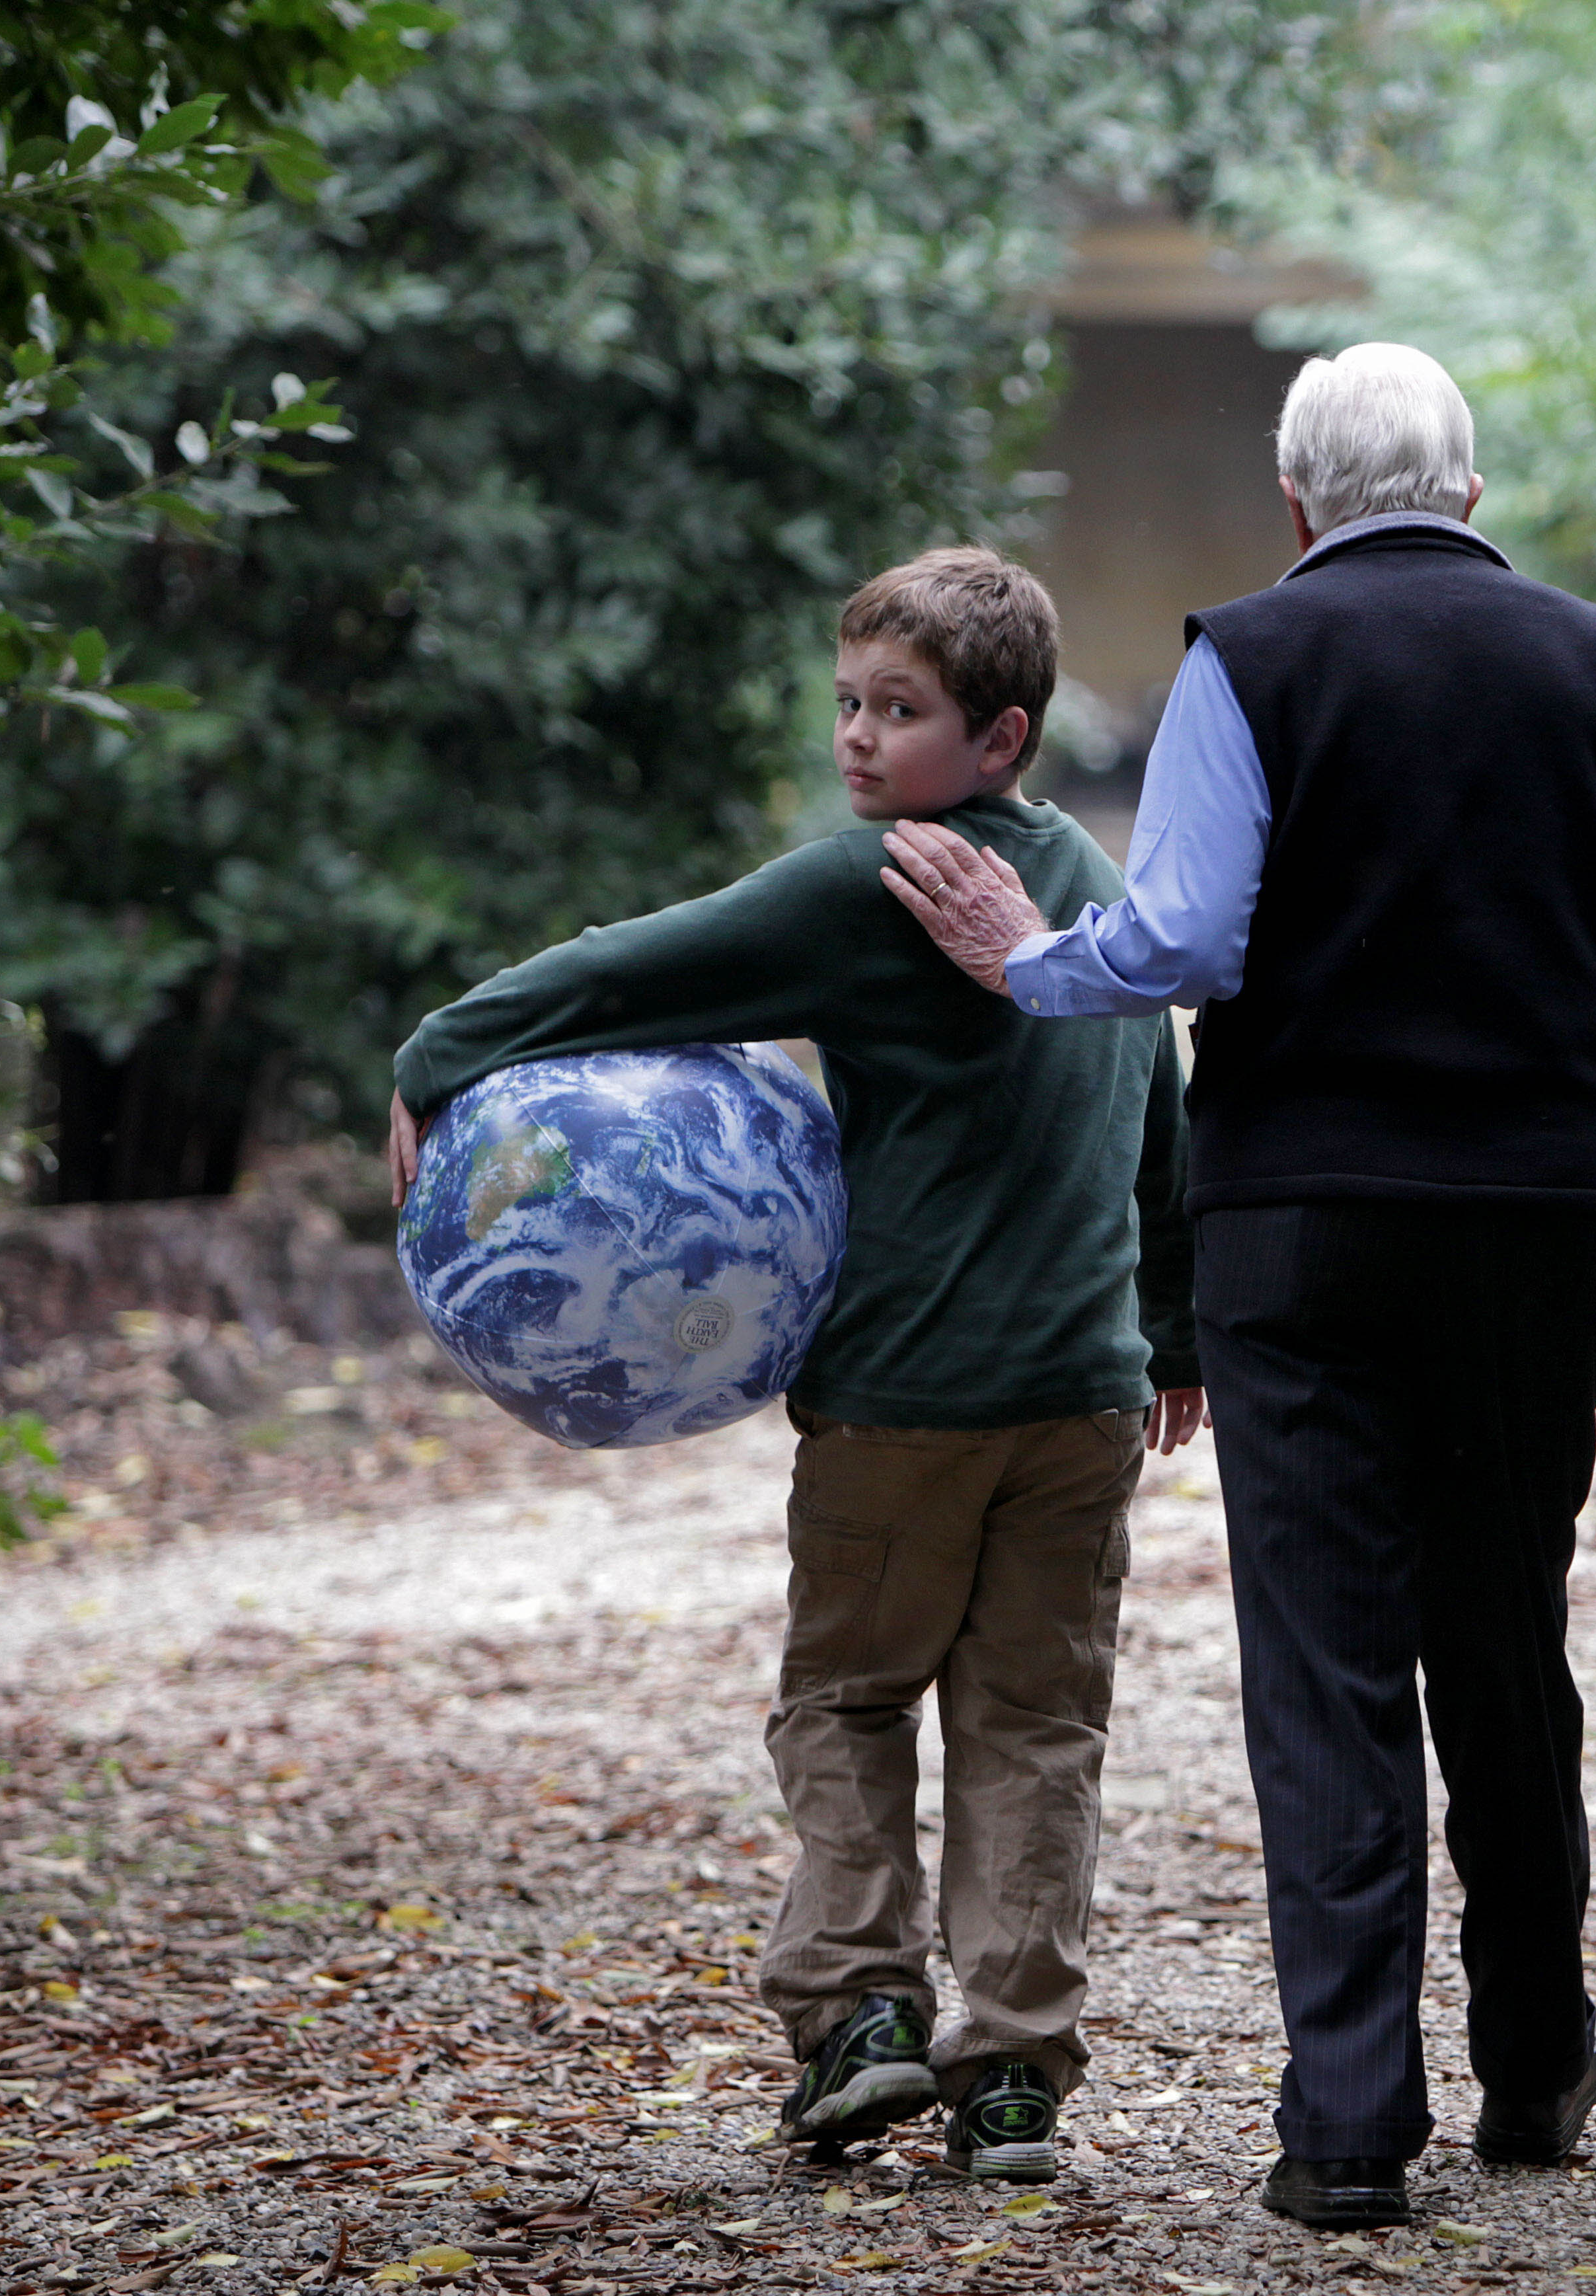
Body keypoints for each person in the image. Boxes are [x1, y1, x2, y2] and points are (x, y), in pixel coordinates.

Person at [876, 344, 1596, 2230]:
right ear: (1473, 496)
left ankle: (1349, 2124)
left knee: (1329, 1660)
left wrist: (1031, 955)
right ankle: (1532, 2065)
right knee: (1506, 1637)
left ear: (1294, 506)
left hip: (1297, 1228)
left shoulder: (1244, 659)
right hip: (1527, 1218)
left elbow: (1187, 934)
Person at [385, 547, 1204, 2186]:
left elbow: (639, 964)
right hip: (1083, 1403)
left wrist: (435, 1057)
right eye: (848, 703)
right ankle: (1017, 2075)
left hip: (904, 1400)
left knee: (846, 1697)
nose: (857, 740)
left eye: (900, 712)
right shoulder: (1097, 895)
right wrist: (1176, 1330)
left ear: (1002, 735)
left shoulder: (873, 886)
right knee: (1038, 1724)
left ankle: (858, 2020)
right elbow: (1162, 1115)